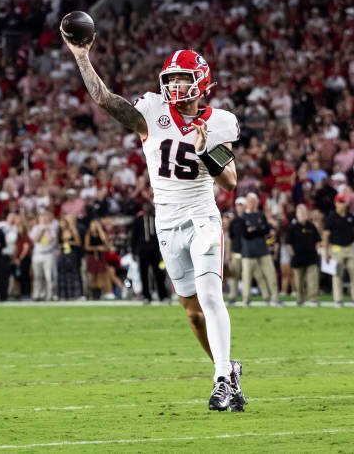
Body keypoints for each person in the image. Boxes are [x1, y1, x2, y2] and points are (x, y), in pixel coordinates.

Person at [63, 35, 244, 411]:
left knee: (211, 297)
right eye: (172, 78)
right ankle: (228, 370)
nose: (176, 85)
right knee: (193, 314)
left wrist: (205, 150)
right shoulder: (152, 111)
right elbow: (105, 100)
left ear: (202, 81)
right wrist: (82, 57)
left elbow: (230, 182)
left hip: (202, 218)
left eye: (183, 78)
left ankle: (222, 381)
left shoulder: (219, 122)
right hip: (167, 225)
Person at [323, 193, 354, 306]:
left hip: (350, 247)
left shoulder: (351, 216)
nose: (342, 204)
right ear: (336, 203)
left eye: (343, 202)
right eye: (340, 202)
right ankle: (338, 299)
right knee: (337, 274)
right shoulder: (331, 217)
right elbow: (326, 235)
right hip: (336, 248)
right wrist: (326, 252)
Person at [239, 192, 280, 306]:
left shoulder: (261, 215)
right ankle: (246, 299)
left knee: (271, 274)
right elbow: (245, 234)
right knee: (246, 278)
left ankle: (275, 298)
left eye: (254, 201)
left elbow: (266, 230)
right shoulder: (242, 217)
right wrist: (258, 230)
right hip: (248, 252)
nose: (252, 203)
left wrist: (253, 230)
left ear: (257, 202)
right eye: (250, 201)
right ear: (247, 203)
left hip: (263, 250)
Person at [131, 201, 168, 304]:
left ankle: (163, 295)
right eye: (145, 206)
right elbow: (134, 236)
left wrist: (163, 250)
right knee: (144, 274)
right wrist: (133, 251)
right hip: (143, 250)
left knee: (159, 273)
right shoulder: (138, 220)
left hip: (156, 250)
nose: (147, 208)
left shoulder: (157, 219)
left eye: (148, 206)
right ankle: (146, 295)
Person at [286, 204, 321, 306]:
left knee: (312, 279)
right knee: (298, 281)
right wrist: (292, 253)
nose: (302, 214)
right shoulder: (292, 227)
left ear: (307, 214)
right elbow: (288, 243)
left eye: (304, 212)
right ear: (296, 214)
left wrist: (317, 250)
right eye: (300, 212)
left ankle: (313, 299)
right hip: (298, 258)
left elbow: (318, 240)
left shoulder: (311, 226)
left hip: (311, 257)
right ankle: (300, 298)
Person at [226, 197, 246, 304]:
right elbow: (230, 238)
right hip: (236, 252)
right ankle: (233, 297)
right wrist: (228, 254)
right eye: (238, 205)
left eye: (241, 205)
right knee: (234, 276)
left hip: (248, 253)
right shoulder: (234, 222)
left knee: (247, 277)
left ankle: (246, 298)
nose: (239, 207)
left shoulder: (249, 218)